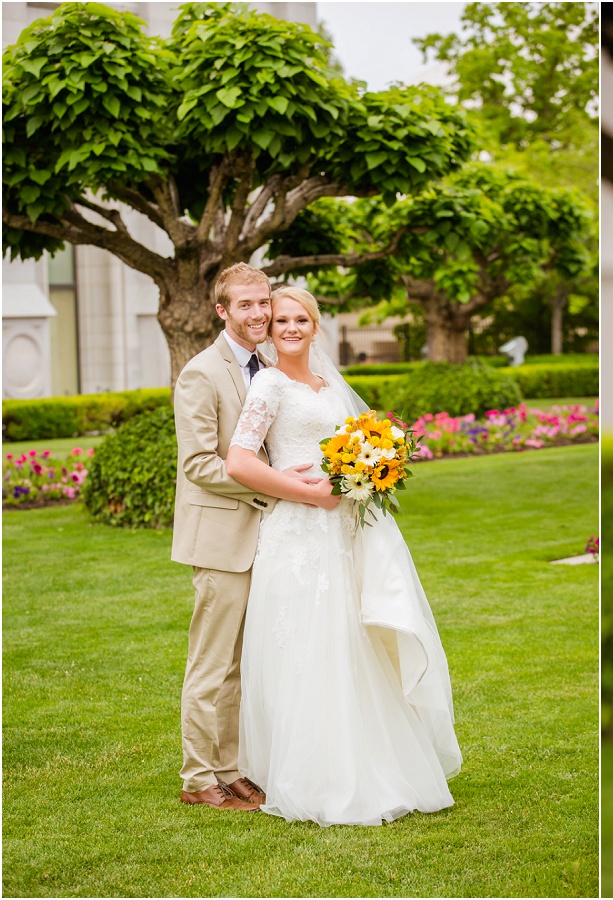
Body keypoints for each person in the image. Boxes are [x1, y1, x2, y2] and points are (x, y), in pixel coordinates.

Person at [225, 286, 461, 826]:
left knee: (351, 637)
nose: (288, 327)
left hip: (344, 531)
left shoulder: (329, 383)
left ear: (315, 324)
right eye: (280, 319)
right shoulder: (269, 384)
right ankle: (312, 774)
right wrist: (308, 491)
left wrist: (372, 467)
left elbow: (351, 444)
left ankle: (370, 762)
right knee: (308, 642)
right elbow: (239, 460)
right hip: (298, 532)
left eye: (299, 319)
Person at [172, 263, 338, 811]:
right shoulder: (201, 372)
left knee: (246, 663)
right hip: (221, 537)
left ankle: (231, 767)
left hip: (270, 535)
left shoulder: (267, 364)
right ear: (223, 311)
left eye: (263, 301)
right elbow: (198, 463)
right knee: (211, 663)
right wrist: (275, 488)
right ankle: (198, 779)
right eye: (246, 305)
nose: (260, 313)